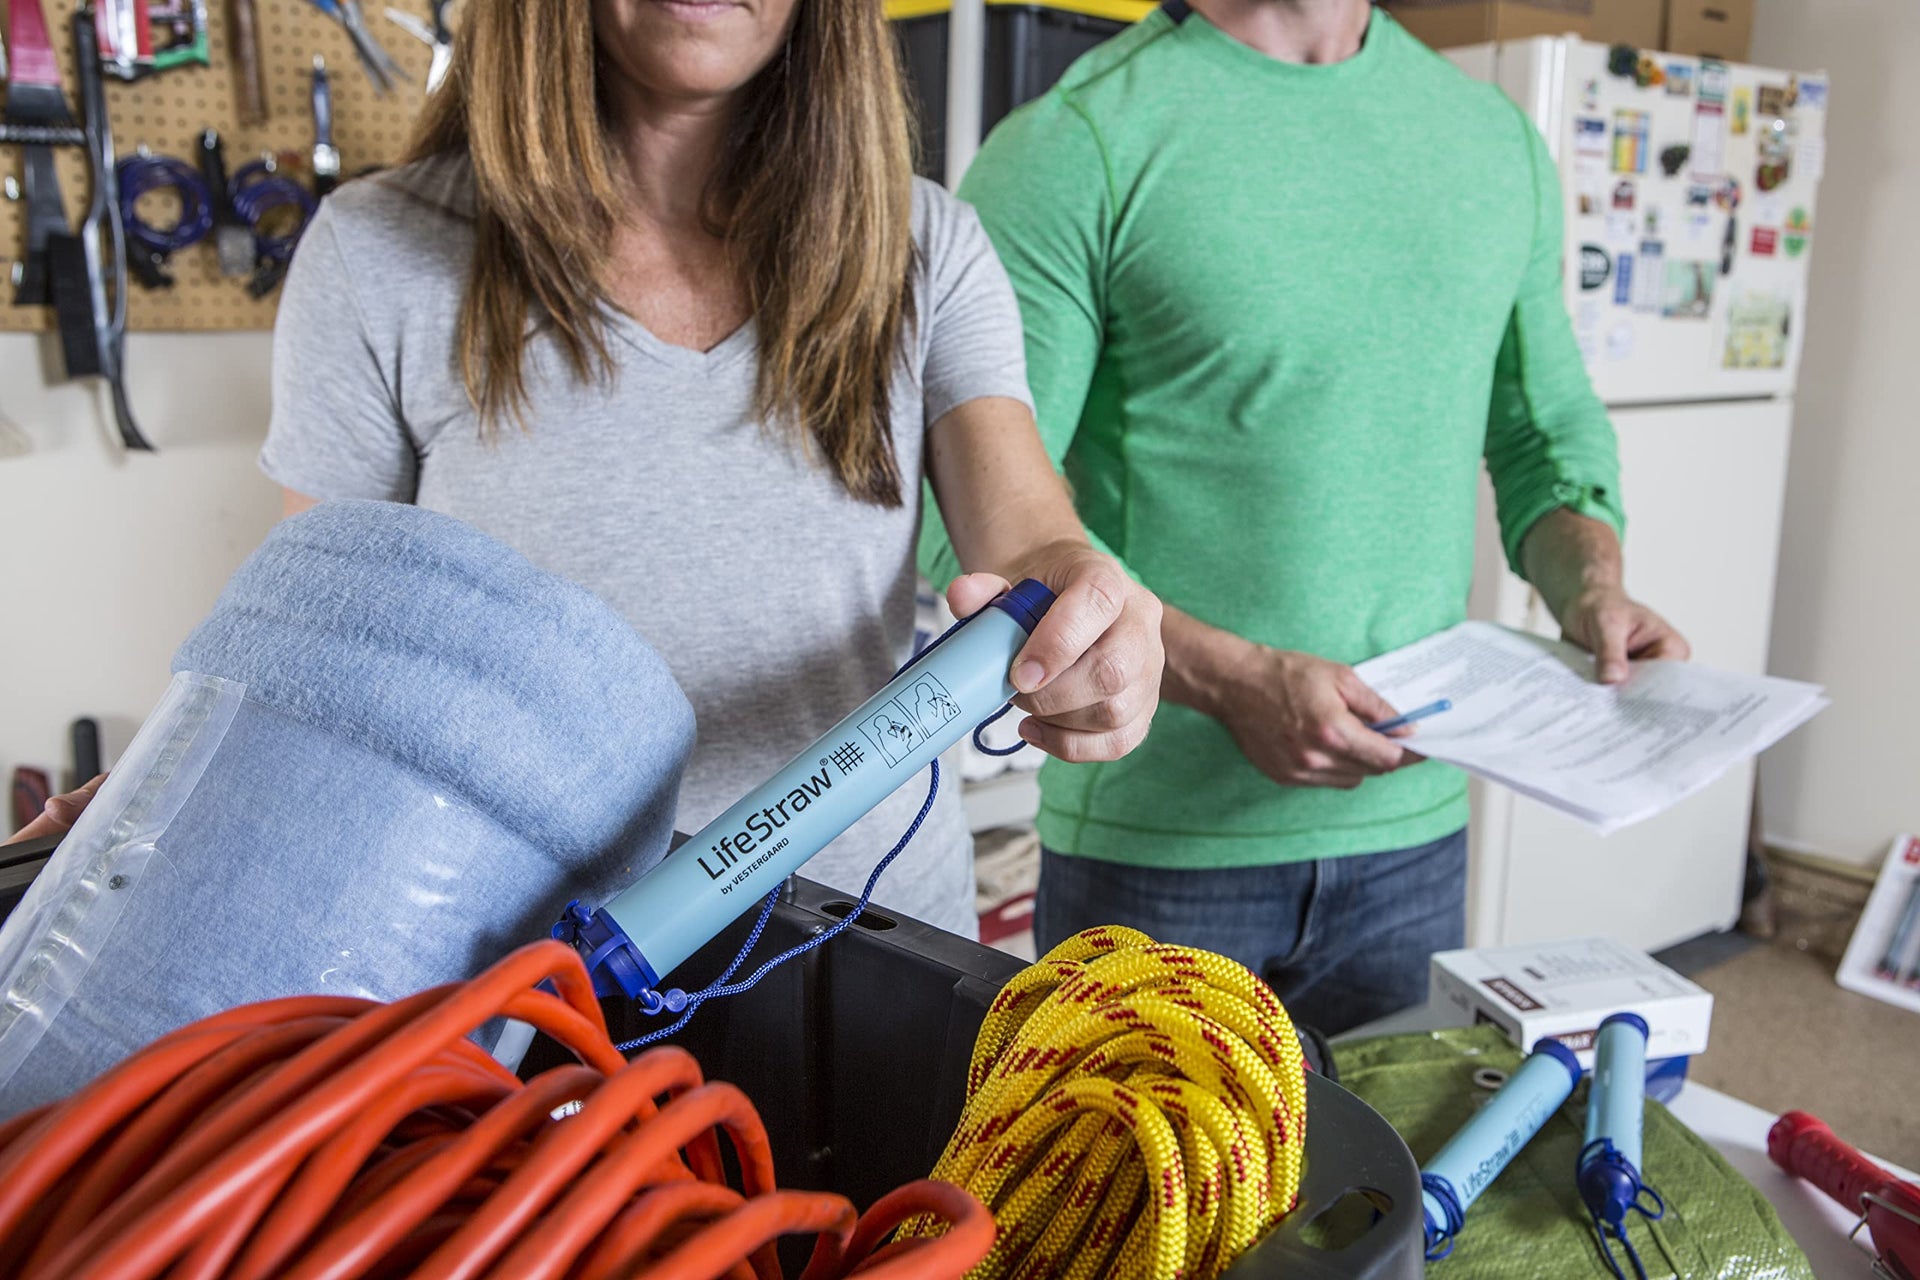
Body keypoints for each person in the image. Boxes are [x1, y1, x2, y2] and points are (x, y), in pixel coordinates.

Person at [244, 0, 1164, 937]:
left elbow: (1028, 535)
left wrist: (1083, 601)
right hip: (510, 948)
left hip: (872, 934)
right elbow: (323, 671)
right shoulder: (372, 251)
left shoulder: (929, 245)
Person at [920, 0, 1688, 1029]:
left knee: (1398, 1142)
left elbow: (1544, 434)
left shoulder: (1492, 140)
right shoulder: (1076, 143)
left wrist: (1593, 585)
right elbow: (971, 515)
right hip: (1160, 849)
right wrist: (1232, 679)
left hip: (1415, 826)